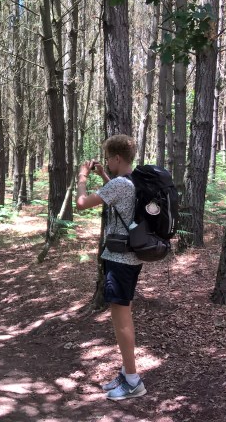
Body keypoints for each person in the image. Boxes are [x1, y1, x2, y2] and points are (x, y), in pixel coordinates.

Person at [75, 134, 147, 401]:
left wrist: (82, 178)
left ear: (117, 157)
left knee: (121, 318)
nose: (106, 161)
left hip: (120, 260)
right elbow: (121, 204)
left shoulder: (121, 184)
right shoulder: (131, 181)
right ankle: (125, 373)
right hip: (130, 257)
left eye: (108, 158)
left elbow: (81, 205)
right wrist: (104, 175)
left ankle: (132, 380)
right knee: (121, 315)